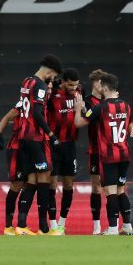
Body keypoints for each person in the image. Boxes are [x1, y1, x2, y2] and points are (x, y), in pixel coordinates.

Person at [75, 73, 133, 235]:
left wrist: (77, 110)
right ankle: (128, 226)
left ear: (105, 88)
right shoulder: (126, 105)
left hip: (109, 156)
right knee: (121, 190)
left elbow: (79, 123)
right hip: (125, 155)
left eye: (101, 85)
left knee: (110, 192)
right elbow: (130, 129)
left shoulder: (100, 108)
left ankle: (113, 228)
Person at [14, 54, 62, 236]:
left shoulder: (26, 81)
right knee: (44, 179)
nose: (54, 80)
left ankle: (21, 225)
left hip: (23, 137)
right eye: (54, 76)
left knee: (31, 180)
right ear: (50, 71)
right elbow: (36, 112)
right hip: (36, 138)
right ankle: (43, 228)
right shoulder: (41, 85)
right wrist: (51, 134)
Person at [46, 68, 82, 235]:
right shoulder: (52, 95)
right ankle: (52, 224)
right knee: (51, 184)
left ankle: (62, 223)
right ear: (62, 82)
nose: (73, 88)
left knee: (68, 185)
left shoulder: (79, 93)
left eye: (75, 85)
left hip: (70, 145)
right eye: (70, 84)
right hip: (54, 145)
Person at [0, 100, 25, 236]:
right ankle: (8, 226)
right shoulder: (23, 103)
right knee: (16, 185)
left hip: (33, 149)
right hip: (17, 149)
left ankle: (21, 225)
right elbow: (7, 117)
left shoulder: (46, 103)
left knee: (30, 184)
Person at [84, 69, 107, 235]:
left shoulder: (110, 101)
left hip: (112, 150)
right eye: (101, 83)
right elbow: (83, 119)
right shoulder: (87, 102)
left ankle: (120, 225)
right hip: (95, 149)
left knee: (115, 188)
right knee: (96, 187)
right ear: (95, 84)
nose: (104, 86)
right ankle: (97, 226)